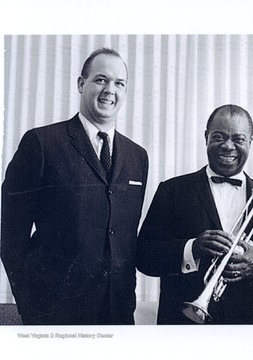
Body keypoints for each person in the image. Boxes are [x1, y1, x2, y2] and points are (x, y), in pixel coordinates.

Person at [1, 48, 149, 325]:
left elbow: (124, 237)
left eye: (119, 83)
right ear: (82, 84)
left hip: (117, 312)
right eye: (100, 79)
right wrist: (30, 302)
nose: (109, 90)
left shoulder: (137, 156)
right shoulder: (42, 143)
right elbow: (10, 234)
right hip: (54, 312)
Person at [137, 104, 253, 324]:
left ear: (250, 142)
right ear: (206, 137)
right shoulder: (172, 190)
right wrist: (191, 248)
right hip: (183, 325)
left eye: (238, 139)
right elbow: (143, 256)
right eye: (219, 137)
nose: (228, 146)